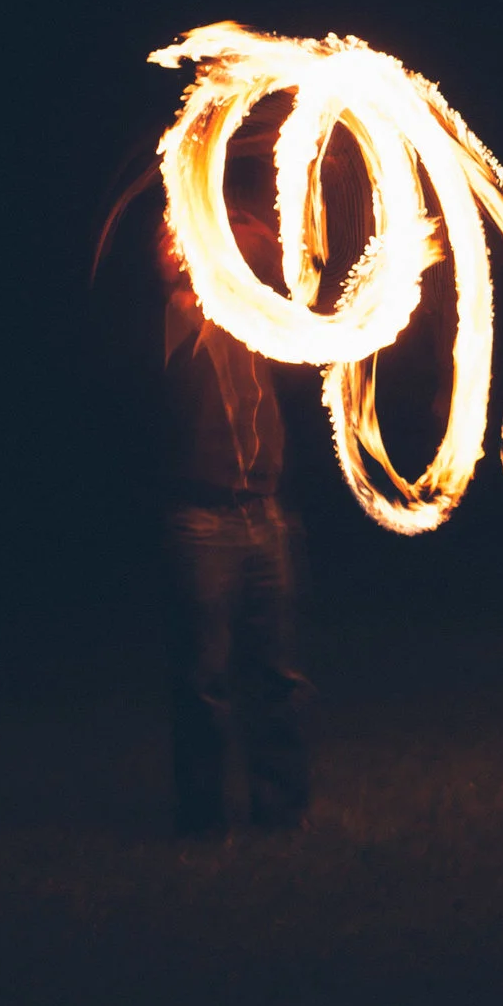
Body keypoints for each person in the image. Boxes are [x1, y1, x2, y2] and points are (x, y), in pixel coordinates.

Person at [157, 210, 310, 837]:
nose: (174, 242)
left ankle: (282, 811)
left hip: (265, 513)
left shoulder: (253, 315)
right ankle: (204, 820)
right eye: (170, 238)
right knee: (205, 678)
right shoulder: (175, 319)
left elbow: (295, 286)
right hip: (202, 520)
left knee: (279, 673)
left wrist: (262, 237)